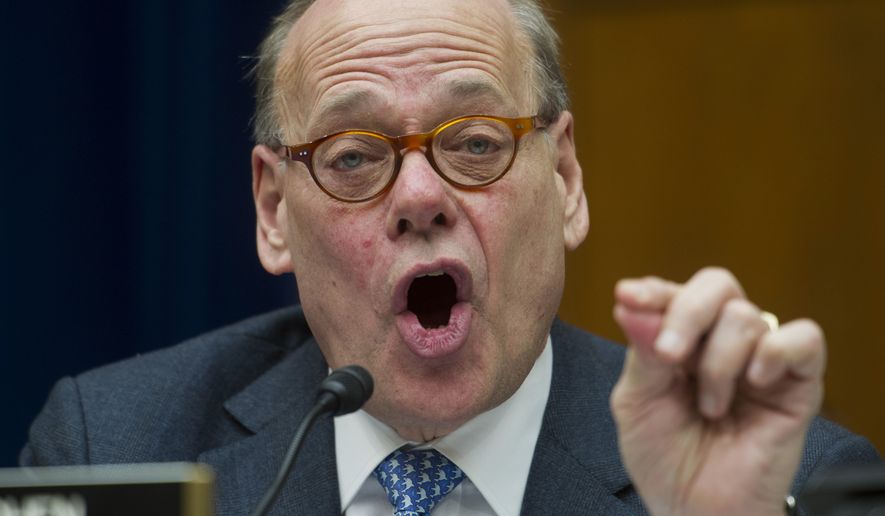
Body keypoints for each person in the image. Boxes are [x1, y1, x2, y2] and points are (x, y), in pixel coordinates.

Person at [22, 0, 880, 515]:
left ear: (568, 179)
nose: (422, 197)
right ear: (274, 211)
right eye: (354, 155)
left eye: (474, 142)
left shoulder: (786, 487)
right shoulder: (115, 449)